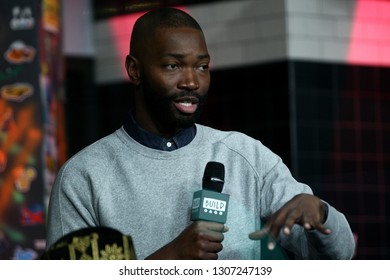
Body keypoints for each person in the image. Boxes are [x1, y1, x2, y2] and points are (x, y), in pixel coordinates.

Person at [46, 7, 355, 260]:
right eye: (173, 66)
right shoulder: (84, 175)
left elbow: (339, 256)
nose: (192, 82)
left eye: (202, 67)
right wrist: (167, 260)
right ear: (134, 70)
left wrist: (321, 213)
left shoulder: (247, 156)